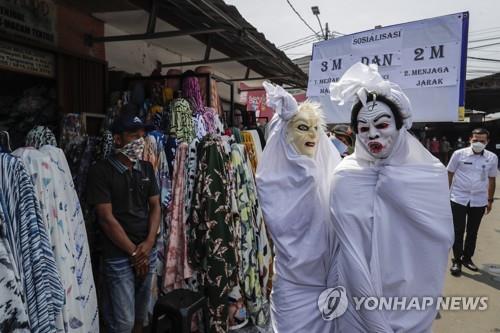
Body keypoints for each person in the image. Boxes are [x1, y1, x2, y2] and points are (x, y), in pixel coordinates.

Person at [329, 63, 454, 332]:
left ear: (400, 126)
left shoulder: (429, 175)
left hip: (412, 298)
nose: (373, 133)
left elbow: (440, 239)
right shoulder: (345, 176)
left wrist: (397, 193)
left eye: (382, 124)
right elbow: (349, 249)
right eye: (364, 128)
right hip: (357, 300)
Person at [256, 82, 341, 332]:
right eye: (303, 128)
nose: (313, 135)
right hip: (293, 284)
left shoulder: (332, 171)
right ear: (285, 132)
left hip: (327, 283)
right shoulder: (272, 179)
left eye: (316, 129)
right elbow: (283, 225)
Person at [87, 115, 161, 333]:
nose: (140, 140)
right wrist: (135, 254)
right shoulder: (100, 171)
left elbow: (156, 206)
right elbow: (106, 219)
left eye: (142, 135)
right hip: (119, 256)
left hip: (148, 251)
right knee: (123, 322)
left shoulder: (146, 168)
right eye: (133, 135)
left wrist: (148, 244)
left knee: (141, 316)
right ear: (118, 140)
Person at [448, 128, 498, 276]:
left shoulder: (492, 158)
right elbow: (449, 173)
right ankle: (456, 260)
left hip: (479, 200)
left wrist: (490, 200)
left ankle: (467, 258)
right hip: (458, 198)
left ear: (487, 142)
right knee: (458, 231)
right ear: (470, 139)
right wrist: (445, 194)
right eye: (475, 140)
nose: (478, 143)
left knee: (472, 232)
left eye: (482, 141)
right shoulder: (459, 154)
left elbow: (492, 179)